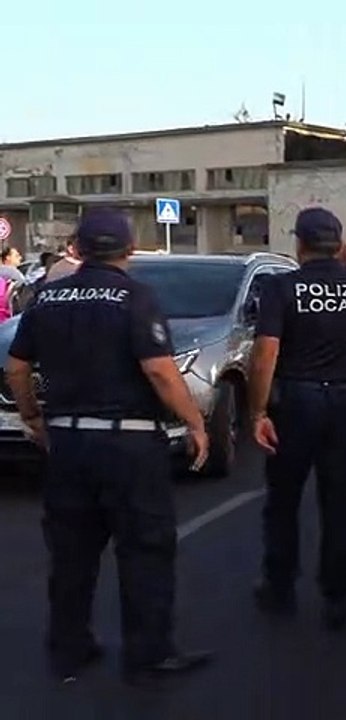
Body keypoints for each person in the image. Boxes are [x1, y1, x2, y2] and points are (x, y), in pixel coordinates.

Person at [4, 207, 213, 686]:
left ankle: (70, 649)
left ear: (77, 247)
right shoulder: (135, 298)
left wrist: (33, 417)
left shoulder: (48, 296)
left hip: (69, 444)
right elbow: (160, 370)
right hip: (129, 445)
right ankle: (148, 652)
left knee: (72, 553)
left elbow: (17, 367)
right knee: (145, 549)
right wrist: (194, 421)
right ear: (129, 250)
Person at [247, 207, 346, 629]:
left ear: (299, 244)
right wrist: (339, 246)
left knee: (283, 501)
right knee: (339, 501)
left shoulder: (281, 286)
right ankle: (337, 596)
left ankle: (279, 586)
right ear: (336, 244)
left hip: (297, 402)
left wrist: (259, 410)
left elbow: (266, 351)